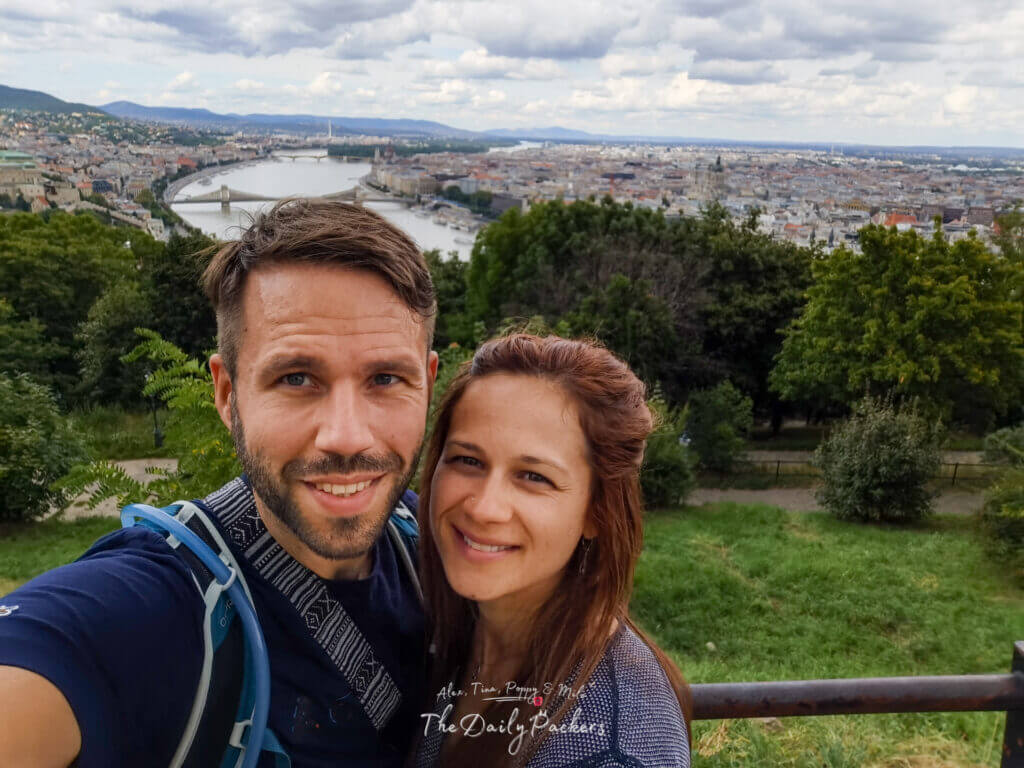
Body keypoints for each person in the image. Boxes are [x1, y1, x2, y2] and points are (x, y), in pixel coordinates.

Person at [0, 200, 439, 767]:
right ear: (227, 394)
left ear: (427, 385)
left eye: (386, 378)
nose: (347, 437)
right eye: (297, 378)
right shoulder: (154, 608)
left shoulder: (436, 552)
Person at [412, 334, 692, 768]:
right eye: (468, 460)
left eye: (533, 476)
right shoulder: (463, 626)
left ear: (596, 511)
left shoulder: (612, 748)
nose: (484, 508)